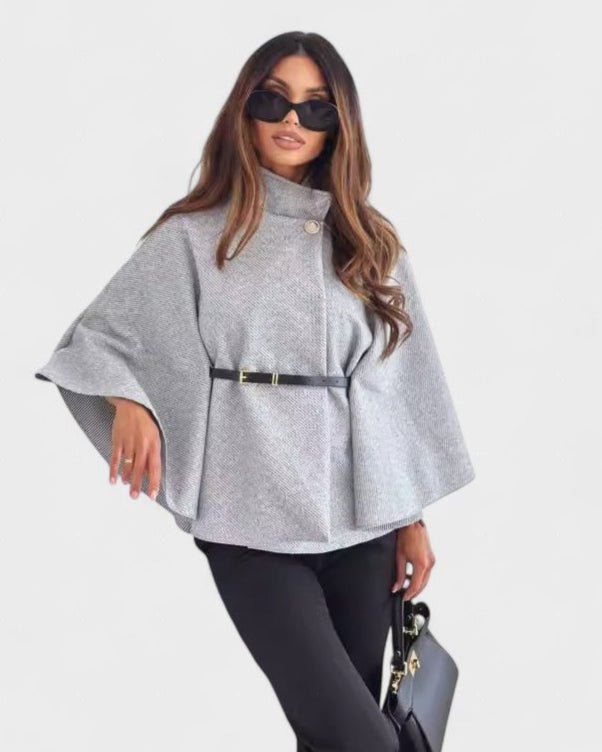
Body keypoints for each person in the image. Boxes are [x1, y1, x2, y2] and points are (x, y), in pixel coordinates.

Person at [34, 31, 475, 752]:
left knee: (332, 738)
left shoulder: (370, 242)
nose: (292, 119)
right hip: (248, 524)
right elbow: (101, 339)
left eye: (315, 107)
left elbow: (395, 390)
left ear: (340, 124)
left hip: (363, 529)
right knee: (365, 740)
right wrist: (127, 398)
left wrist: (411, 517)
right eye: (273, 99)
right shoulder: (194, 235)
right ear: (244, 108)